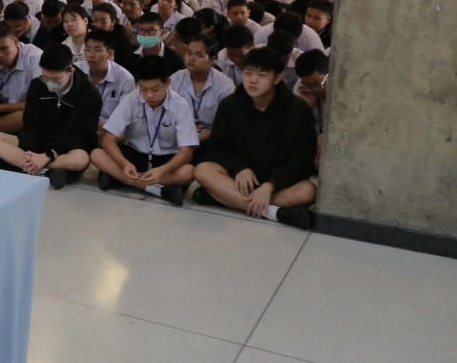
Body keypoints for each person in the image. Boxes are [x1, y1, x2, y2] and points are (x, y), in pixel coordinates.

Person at [191, 47, 318, 228]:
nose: (253, 80)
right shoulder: (230, 105)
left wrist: (270, 185)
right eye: (248, 73)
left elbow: (302, 159)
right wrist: (240, 167)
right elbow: (218, 148)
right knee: (202, 170)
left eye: (262, 75)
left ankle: (224, 198)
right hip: (238, 180)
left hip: (278, 184)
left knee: (308, 191)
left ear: (277, 78)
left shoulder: (298, 110)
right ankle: (275, 213)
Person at [0, 44, 102, 189]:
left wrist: (47, 155)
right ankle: (45, 171)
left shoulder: (89, 94)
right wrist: (35, 155)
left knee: (81, 159)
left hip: (65, 149)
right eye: (45, 77)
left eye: (55, 79)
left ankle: (23, 166)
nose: (49, 84)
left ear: (70, 71)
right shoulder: (37, 85)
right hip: (37, 144)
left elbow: (82, 136)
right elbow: (31, 125)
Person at [90, 57, 198, 206]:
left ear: (168, 82)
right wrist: (125, 164)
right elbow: (109, 139)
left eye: (155, 89)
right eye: (143, 88)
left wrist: (162, 170)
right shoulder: (131, 100)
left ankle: (121, 179)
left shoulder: (180, 105)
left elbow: (186, 152)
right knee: (96, 154)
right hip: (135, 155)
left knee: (189, 171)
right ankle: (159, 189)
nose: (149, 95)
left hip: (165, 159)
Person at [0, 25, 43, 134]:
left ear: (15, 42)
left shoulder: (35, 57)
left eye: (4, 48)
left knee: (26, 116)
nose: (0, 54)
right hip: (0, 107)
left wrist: (0, 108)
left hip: (22, 109)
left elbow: (37, 103)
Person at [170, 33, 237, 142]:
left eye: (199, 55)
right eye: (189, 53)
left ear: (212, 59)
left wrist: (195, 140)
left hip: (212, 140)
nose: (191, 58)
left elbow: (227, 124)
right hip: (178, 136)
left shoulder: (225, 86)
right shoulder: (176, 79)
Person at [83, 28, 137, 122]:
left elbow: (125, 118)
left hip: (110, 130)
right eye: (88, 49)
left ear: (110, 53)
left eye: (98, 50)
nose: (91, 55)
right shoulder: (76, 71)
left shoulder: (125, 79)